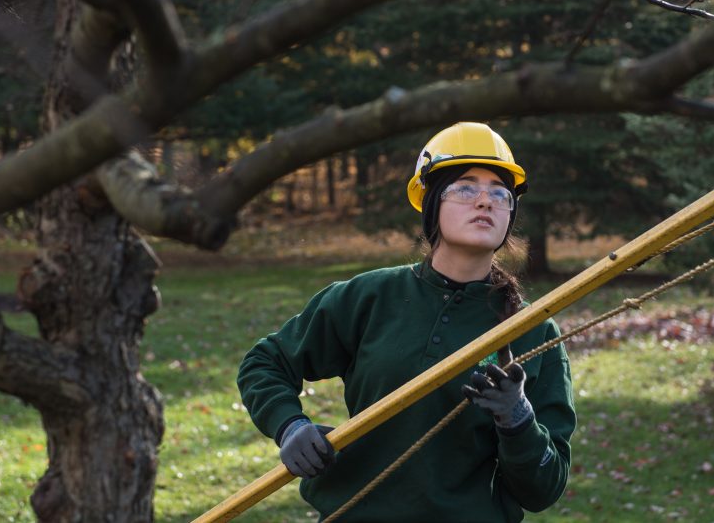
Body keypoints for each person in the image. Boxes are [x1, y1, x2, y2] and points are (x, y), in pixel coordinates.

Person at [238, 122, 575, 522]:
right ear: (432, 202)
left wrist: (517, 419)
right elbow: (265, 362)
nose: (485, 201)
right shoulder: (368, 297)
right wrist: (289, 425)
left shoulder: (533, 329)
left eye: (500, 194)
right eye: (466, 188)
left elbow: (544, 488)